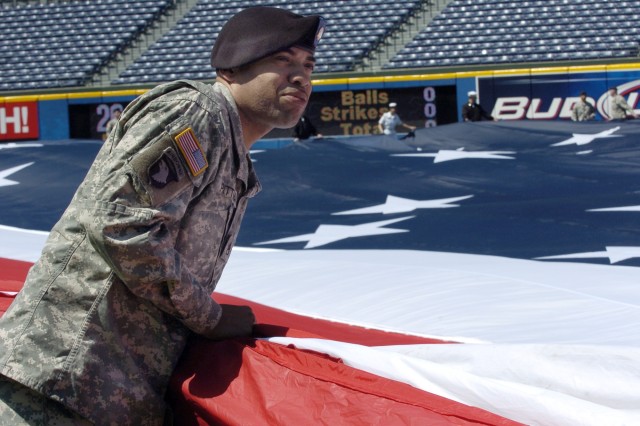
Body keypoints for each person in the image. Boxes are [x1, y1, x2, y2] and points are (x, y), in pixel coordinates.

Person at [0, 6, 325, 426]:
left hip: (101, 393)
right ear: (234, 66)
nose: (301, 77)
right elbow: (122, 223)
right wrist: (210, 317)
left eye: (308, 65)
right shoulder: (197, 113)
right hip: (58, 378)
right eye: (282, 61)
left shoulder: (233, 153)